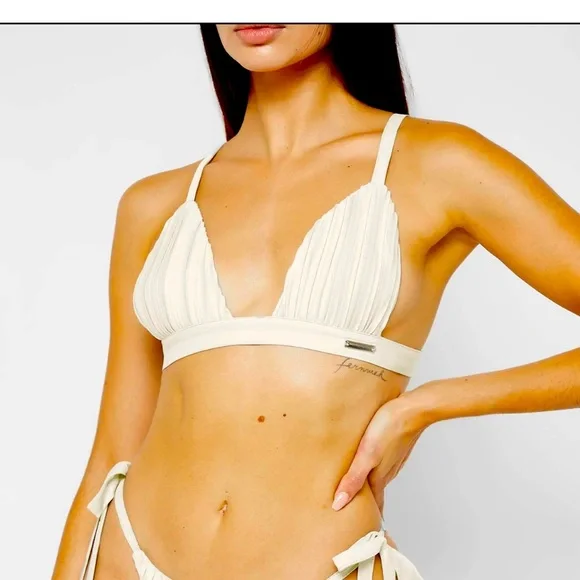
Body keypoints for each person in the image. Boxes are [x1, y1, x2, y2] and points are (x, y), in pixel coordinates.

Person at [52, 24, 580, 580]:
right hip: (128, 558)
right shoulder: (153, 203)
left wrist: (426, 405)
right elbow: (113, 448)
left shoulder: (440, 164)